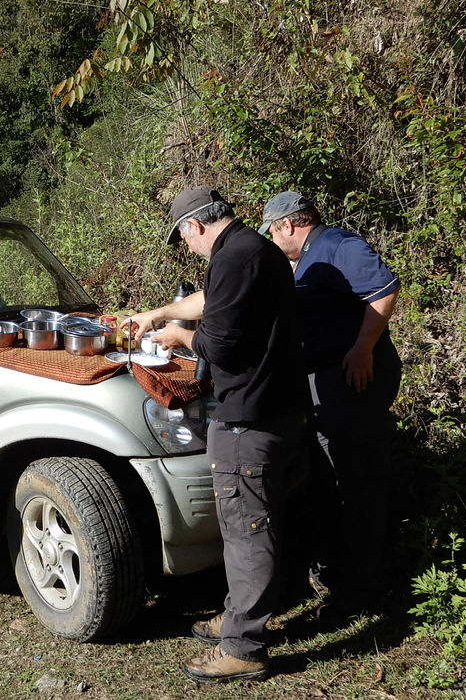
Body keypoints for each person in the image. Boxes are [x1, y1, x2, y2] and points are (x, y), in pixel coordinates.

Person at [129, 185, 304, 683]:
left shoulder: (233, 259)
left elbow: (220, 345)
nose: (187, 247)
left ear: (195, 227)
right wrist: (160, 313)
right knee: (255, 523)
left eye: (183, 237)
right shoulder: (253, 249)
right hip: (276, 409)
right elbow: (215, 301)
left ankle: (244, 647)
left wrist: (179, 338)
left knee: (246, 529)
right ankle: (240, 615)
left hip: (248, 415)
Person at [258, 190, 401, 620]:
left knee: (357, 482)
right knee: (331, 479)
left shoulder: (340, 245)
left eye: (272, 231)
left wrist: (362, 349)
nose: (271, 239)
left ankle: (362, 590)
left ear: (287, 224)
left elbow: (384, 290)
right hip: (324, 384)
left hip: (354, 379)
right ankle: (338, 575)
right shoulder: (302, 259)